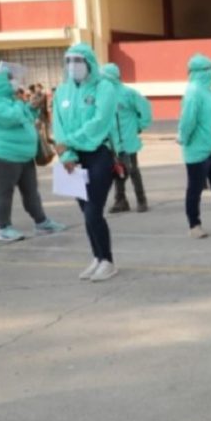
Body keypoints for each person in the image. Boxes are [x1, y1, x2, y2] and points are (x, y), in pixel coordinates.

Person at [52, 43, 120, 281]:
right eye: (69, 60)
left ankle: (108, 260)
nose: (73, 66)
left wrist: (69, 141)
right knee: (85, 211)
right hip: (73, 158)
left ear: (89, 62)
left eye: (78, 60)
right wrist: (67, 154)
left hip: (98, 153)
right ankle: (97, 257)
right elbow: (57, 126)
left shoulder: (104, 88)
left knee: (93, 210)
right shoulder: (62, 92)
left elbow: (100, 122)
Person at [0, 62, 65, 242]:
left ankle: (42, 222)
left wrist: (31, 108)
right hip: (5, 155)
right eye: (9, 79)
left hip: (24, 154)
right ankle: (4, 228)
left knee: (31, 191)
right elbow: (11, 118)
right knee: (4, 191)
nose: (14, 82)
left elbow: (26, 118)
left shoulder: (11, 100)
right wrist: (24, 106)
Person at [178, 54, 211, 239]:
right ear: (202, 72)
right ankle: (194, 225)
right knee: (195, 188)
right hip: (197, 149)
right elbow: (188, 121)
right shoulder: (193, 93)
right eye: (210, 70)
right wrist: (183, 138)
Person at [101, 63, 153, 213]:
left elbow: (145, 110)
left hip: (127, 140)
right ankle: (121, 201)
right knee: (116, 171)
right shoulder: (103, 95)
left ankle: (141, 200)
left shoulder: (129, 93)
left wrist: (139, 126)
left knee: (133, 170)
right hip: (111, 142)